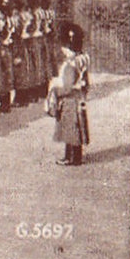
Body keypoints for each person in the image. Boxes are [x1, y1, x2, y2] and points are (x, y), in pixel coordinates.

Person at [47, 21, 90, 166]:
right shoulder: (82, 59)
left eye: (64, 48)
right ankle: (75, 156)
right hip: (78, 98)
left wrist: (55, 91)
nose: (63, 51)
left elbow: (67, 86)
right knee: (75, 129)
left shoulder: (70, 64)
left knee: (70, 129)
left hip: (69, 99)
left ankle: (71, 158)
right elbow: (85, 82)